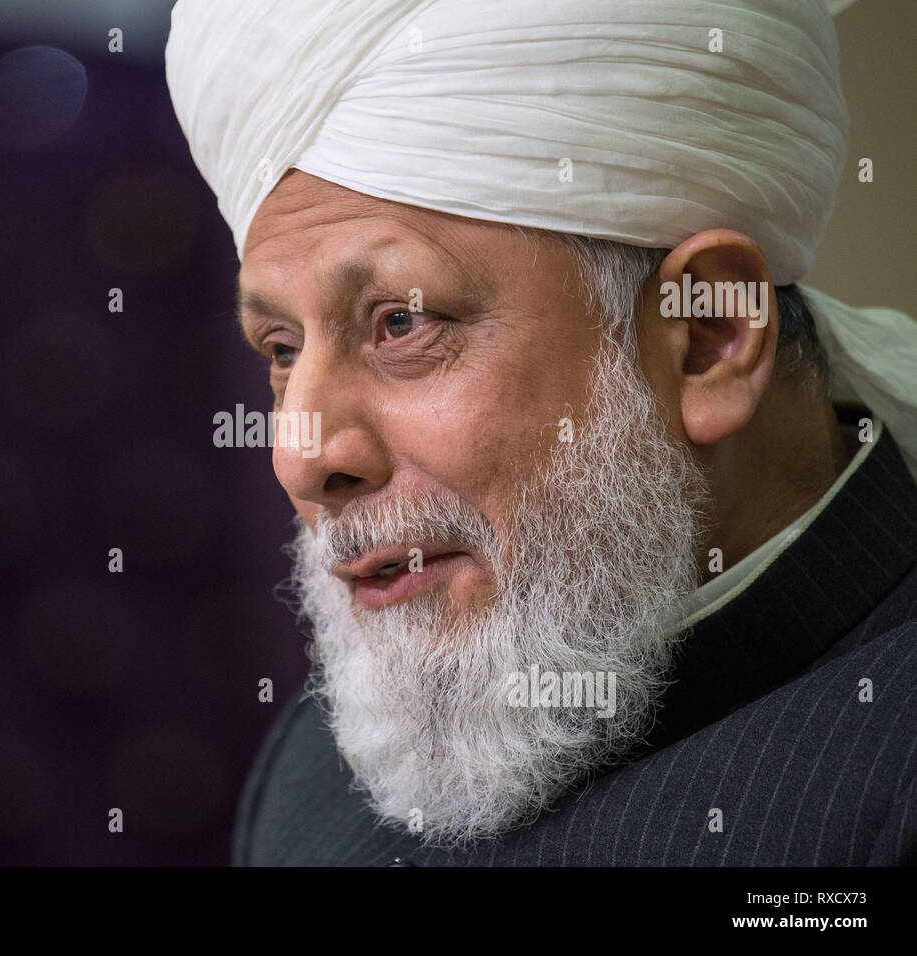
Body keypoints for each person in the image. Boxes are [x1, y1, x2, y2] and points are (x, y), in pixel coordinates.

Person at [166, 0, 917, 865]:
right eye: (282, 348)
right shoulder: (310, 783)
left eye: (401, 324)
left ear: (707, 337)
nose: (300, 456)